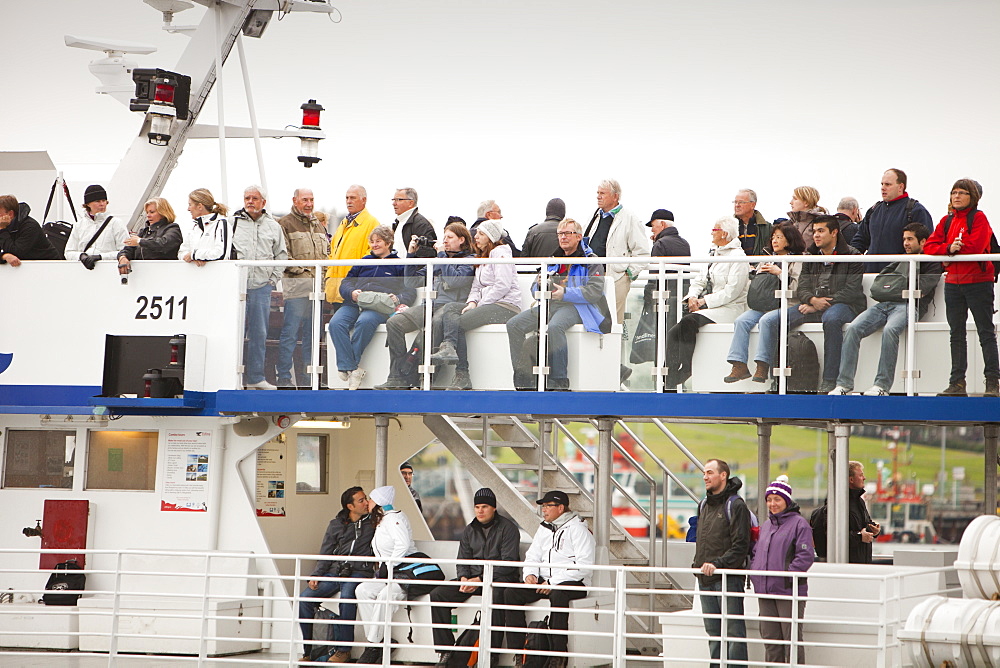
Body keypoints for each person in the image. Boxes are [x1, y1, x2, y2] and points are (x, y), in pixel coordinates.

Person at [754, 215, 866, 392]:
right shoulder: (810, 256)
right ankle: (776, 381)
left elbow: (851, 290)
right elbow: (803, 287)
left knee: (832, 318)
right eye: (814, 231)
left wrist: (819, 303)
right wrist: (812, 301)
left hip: (846, 305)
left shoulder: (852, 255)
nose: (816, 236)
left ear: (834, 232)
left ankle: (829, 380)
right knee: (772, 321)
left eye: (821, 231)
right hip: (812, 305)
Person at [829, 223, 942, 396]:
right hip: (883, 305)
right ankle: (843, 384)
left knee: (890, 330)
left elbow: (921, 289)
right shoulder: (900, 259)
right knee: (852, 328)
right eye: (904, 239)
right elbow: (878, 286)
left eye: (910, 239)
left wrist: (894, 287)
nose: (905, 243)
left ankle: (881, 386)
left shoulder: (932, 262)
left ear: (923, 241)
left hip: (908, 306)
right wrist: (899, 288)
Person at [506, 218, 612, 391]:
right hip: (551, 305)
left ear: (579, 237)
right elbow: (534, 290)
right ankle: (523, 377)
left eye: (567, 233)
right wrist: (540, 285)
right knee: (514, 325)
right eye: (560, 234)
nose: (562, 237)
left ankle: (560, 381)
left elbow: (594, 292)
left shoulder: (591, 260)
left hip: (577, 307)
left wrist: (565, 293)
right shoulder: (552, 259)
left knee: (555, 327)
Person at [924, 178, 1000, 397]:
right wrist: (949, 248)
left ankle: (992, 382)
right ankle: (957, 383)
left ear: (972, 197)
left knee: (985, 332)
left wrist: (949, 252)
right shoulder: (946, 221)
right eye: (953, 192)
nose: (956, 196)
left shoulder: (979, 217)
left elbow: (976, 246)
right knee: (956, 333)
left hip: (978, 282)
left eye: (962, 193)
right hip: (954, 283)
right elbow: (929, 246)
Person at [376, 223, 475, 389]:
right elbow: (411, 281)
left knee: (436, 323)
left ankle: (424, 379)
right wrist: (411, 255)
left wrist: (442, 255)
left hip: (450, 307)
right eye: (444, 238)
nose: (446, 241)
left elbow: (455, 280)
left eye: (450, 238)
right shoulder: (439, 260)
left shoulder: (470, 260)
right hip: (429, 306)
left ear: (462, 240)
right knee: (394, 324)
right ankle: (396, 377)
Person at [429, 488, 520, 666]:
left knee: (496, 595)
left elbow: (508, 564)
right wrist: (463, 578)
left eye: (484, 506)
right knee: (438, 594)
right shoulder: (470, 529)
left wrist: (480, 579)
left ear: (493, 508)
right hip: (473, 579)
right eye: (477, 506)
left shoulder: (508, 529)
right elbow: (462, 559)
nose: (480, 510)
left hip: (499, 579)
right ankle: (446, 650)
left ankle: (491, 654)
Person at [504, 491, 594, 668]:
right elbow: (532, 556)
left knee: (558, 595)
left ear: (561, 508)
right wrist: (530, 574)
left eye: (548, 506)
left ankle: (558, 655)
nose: (543, 510)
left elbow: (584, 566)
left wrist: (553, 583)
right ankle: (520, 652)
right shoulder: (544, 527)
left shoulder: (579, 529)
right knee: (511, 593)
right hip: (544, 581)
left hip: (575, 582)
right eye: (543, 506)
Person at [663, 217, 749, 388]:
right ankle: (669, 378)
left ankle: (687, 368)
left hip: (730, 308)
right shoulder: (713, 254)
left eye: (715, 229)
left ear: (725, 233)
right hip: (711, 307)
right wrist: (692, 297)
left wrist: (704, 302)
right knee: (673, 332)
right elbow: (700, 280)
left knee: (688, 321)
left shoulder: (738, 257)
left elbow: (732, 292)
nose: (711, 232)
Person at [438, 219, 522, 390]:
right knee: (450, 307)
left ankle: (462, 374)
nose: (476, 236)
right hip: (488, 303)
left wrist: (481, 304)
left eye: (481, 234)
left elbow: (502, 285)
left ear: (491, 237)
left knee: (458, 323)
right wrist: (472, 302)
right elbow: (476, 286)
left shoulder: (501, 253)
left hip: (506, 306)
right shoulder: (483, 256)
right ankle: (448, 346)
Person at [329, 225, 415, 390]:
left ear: (388, 242)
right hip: (355, 303)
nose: (374, 245)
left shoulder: (399, 264)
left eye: (379, 241)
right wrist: (352, 292)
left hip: (378, 307)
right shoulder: (363, 262)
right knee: (336, 323)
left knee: (365, 322)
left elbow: (409, 291)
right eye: (372, 242)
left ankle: (348, 365)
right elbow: (346, 283)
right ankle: (352, 368)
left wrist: (398, 298)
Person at [298, 486, 376, 664]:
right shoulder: (336, 524)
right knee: (305, 599)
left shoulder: (373, 522)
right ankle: (310, 649)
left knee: (347, 596)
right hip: (335, 572)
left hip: (359, 572)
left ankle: (344, 650)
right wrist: (316, 575)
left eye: (366, 499)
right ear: (350, 506)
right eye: (361, 500)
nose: (366, 503)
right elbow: (325, 552)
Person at [724, 222, 805, 383]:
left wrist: (780, 273)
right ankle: (738, 364)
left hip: (789, 304)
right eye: (773, 237)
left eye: (779, 237)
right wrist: (756, 274)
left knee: (767, 321)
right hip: (765, 304)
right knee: (741, 321)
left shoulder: (799, 260)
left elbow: (798, 289)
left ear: (789, 240)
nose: (774, 241)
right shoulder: (767, 259)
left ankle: (762, 364)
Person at [749, 475, 815, 666]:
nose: (772, 504)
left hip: (788, 590)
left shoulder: (800, 524)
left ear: (786, 500)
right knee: (770, 640)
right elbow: (756, 551)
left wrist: (786, 577)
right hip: (765, 590)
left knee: (791, 640)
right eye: (769, 500)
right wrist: (755, 572)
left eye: (777, 499)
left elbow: (805, 556)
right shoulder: (767, 525)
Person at [692, 459, 751, 668]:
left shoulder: (736, 505)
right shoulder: (704, 504)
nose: (705, 477)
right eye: (704, 473)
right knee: (714, 633)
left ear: (723, 475)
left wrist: (717, 564)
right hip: (705, 578)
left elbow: (740, 546)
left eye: (709, 472)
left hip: (729, 579)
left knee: (734, 631)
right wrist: (698, 565)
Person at [355, 485, 421, 664]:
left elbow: (403, 544)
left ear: (379, 502)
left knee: (385, 595)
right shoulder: (384, 519)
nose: (368, 502)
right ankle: (380, 641)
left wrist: (390, 564)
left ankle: (372, 646)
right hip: (390, 574)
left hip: (404, 574)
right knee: (362, 590)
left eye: (371, 499)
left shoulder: (394, 519)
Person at [231, 186, 287, 391]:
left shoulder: (274, 226)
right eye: (247, 198)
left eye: (255, 198)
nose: (250, 201)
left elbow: (281, 255)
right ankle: (230, 375)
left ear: (263, 202)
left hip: (261, 286)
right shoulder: (232, 223)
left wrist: (272, 280)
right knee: (232, 331)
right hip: (236, 287)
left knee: (258, 332)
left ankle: (255, 377)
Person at [277, 188, 330, 387]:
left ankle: (309, 378)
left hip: (318, 291)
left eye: (311, 199)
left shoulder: (318, 225)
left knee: (312, 335)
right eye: (305, 200)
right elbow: (283, 257)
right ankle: (284, 377)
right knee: (290, 333)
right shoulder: (285, 224)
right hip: (297, 289)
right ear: (295, 201)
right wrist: (308, 273)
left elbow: (327, 255)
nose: (309, 203)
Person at [584, 179, 650, 322]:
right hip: (592, 276)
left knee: (614, 321)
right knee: (591, 319)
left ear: (615, 196)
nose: (598, 196)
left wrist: (628, 274)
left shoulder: (630, 218)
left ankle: (613, 345)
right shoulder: (593, 217)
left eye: (602, 193)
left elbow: (643, 252)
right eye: (597, 193)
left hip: (615, 277)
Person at [851, 168, 934, 272]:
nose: (883, 188)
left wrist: (898, 267)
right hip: (870, 275)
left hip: (900, 277)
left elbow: (926, 244)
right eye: (882, 184)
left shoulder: (916, 210)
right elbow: (860, 240)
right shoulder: (874, 210)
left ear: (900, 187)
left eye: (888, 184)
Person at [325, 185, 381, 308]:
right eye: (347, 198)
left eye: (353, 198)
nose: (349, 201)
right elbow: (332, 252)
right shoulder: (343, 223)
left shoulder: (372, 224)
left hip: (355, 291)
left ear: (364, 200)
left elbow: (373, 255)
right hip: (337, 290)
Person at [66, 184, 129, 270]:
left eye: (104, 200)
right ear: (88, 204)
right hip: (84, 272)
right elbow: (68, 252)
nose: (102, 204)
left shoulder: (116, 223)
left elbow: (125, 251)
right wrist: (81, 256)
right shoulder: (78, 226)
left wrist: (100, 257)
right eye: (97, 201)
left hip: (109, 271)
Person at [116, 198, 183, 277]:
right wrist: (123, 257)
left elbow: (164, 244)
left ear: (163, 212)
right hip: (143, 276)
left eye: (152, 212)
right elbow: (128, 249)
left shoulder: (173, 228)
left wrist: (140, 242)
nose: (148, 215)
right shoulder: (143, 231)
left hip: (164, 274)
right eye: (147, 212)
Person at [0, 196, 61, 264]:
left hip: (47, 265)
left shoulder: (29, 226)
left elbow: (17, 252)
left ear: (10, 214)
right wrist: (4, 256)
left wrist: (2, 230)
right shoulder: (2, 227)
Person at [179, 188, 230, 265]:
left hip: (217, 275)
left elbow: (221, 254)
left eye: (190, 205)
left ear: (200, 206)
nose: (188, 209)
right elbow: (181, 252)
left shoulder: (221, 224)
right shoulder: (196, 227)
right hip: (196, 275)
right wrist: (194, 258)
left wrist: (195, 255)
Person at [847, 461, 881, 564]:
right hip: (848, 567)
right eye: (861, 475)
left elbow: (864, 525)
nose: (864, 478)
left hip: (864, 563)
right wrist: (859, 536)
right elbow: (835, 535)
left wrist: (873, 530)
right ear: (851, 479)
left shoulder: (860, 501)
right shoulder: (839, 502)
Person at [390, 187, 436, 255]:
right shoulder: (399, 222)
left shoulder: (421, 224)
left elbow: (426, 254)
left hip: (409, 265)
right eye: (393, 200)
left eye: (398, 200)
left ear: (411, 203)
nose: (394, 203)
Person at [733, 189, 772, 256]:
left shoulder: (767, 228)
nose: (737, 205)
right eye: (735, 202)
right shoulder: (729, 227)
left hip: (759, 265)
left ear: (753, 205)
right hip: (736, 265)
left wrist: (756, 266)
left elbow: (769, 252)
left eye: (741, 202)